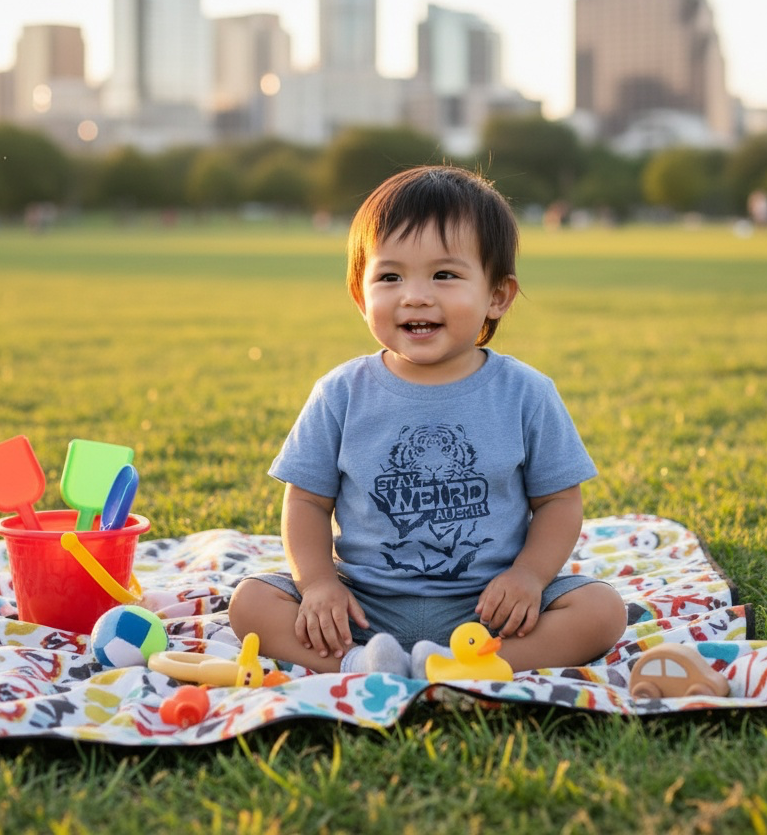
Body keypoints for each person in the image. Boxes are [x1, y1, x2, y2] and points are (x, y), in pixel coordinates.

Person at [228, 165, 626, 677]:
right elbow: (306, 501)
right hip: (363, 605)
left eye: (444, 275)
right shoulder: (340, 393)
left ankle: (469, 666)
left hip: (489, 609)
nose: (414, 295)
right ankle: (361, 662)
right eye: (390, 277)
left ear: (497, 295)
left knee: (601, 610)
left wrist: (528, 576)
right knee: (251, 603)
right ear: (360, 296)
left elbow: (558, 502)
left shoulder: (526, 393)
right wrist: (319, 584)